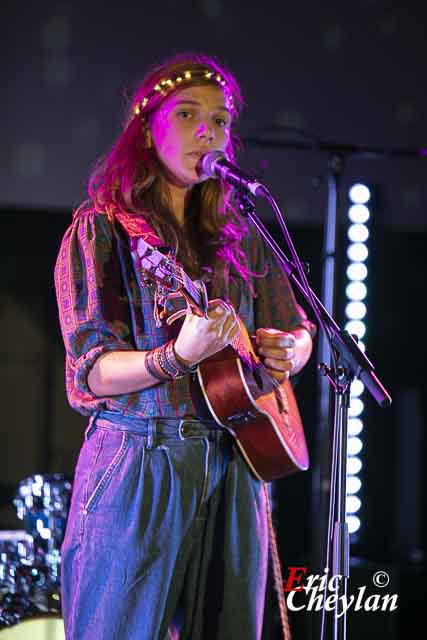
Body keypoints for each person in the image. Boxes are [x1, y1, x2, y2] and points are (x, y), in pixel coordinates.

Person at [54, 52, 315, 640]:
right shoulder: (104, 230)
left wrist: (290, 352)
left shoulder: (242, 235)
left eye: (220, 120)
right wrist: (174, 357)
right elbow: (90, 371)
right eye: (189, 115)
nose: (209, 131)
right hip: (141, 463)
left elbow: (298, 327)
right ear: (147, 129)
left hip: (237, 462)